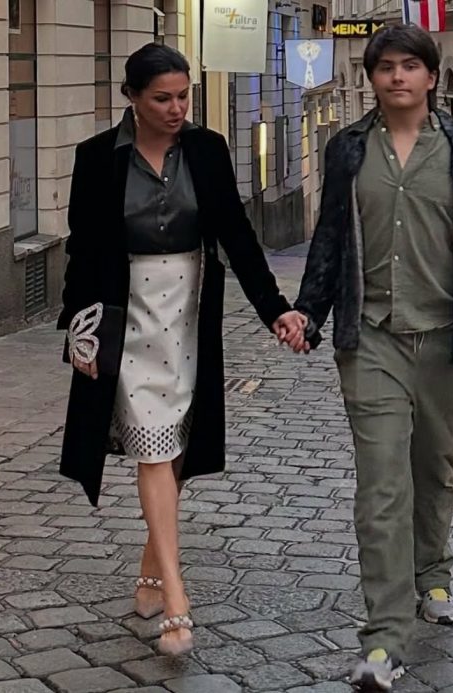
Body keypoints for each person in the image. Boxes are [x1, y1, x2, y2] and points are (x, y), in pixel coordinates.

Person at [57, 43, 306, 657]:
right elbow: (82, 248)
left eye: (184, 96)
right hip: (129, 313)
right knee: (152, 444)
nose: (176, 109)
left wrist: (275, 309)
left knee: (176, 445)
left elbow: (238, 236)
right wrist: (78, 329)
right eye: (162, 98)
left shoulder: (207, 149)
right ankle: (175, 600)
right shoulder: (97, 157)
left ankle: (150, 570)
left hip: (189, 311)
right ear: (132, 98)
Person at [293, 23, 453, 692]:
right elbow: (330, 237)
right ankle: (384, 640)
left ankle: (433, 573)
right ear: (373, 78)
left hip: (443, 335)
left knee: (433, 464)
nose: (397, 77)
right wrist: (309, 313)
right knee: (382, 483)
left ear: (431, 76)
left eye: (409, 66)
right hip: (372, 336)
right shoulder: (349, 149)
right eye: (385, 66)